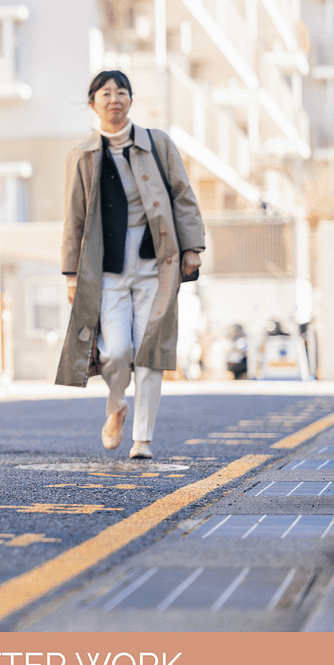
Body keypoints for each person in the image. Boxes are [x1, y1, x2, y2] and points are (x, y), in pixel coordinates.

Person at [56, 70, 205, 459]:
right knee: (117, 350)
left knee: (151, 351)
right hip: (107, 268)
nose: (114, 99)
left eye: (121, 92)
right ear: (93, 103)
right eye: (105, 93)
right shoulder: (83, 155)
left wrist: (192, 247)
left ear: (131, 101)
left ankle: (143, 440)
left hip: (157, 262)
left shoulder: (158, 144)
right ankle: (117, 403)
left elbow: (183, 196)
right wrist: (71, 273)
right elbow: (73, 217)